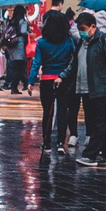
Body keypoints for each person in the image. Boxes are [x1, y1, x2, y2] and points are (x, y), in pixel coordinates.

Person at [70, 10, 106, 165]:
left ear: (93, 27)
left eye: (84, 28)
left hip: (101, 88)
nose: (81, 32)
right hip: (86, 89)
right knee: (100, 123)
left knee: (99, 123)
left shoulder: (104, 40)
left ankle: (90, 155)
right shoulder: (82, 42)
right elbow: (75, 62)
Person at [34, 14, 79, 150]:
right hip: (64, 79)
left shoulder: (42, 42)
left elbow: (37, 62)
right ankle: (60, 142)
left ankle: (46, 142)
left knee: (47, 111)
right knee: (62, 111)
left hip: (47, 79)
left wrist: (30, 82)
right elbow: (74, 58)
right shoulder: (68, 41)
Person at [0, 7, 28, 94]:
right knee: (19, 67)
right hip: (19, 45)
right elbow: (23, 31)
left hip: (11, 46)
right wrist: (29, 32)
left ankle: (14, 86)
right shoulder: (22, 21)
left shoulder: (11, 21)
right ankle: (14, 87)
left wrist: (0, 45)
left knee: (15, 67)